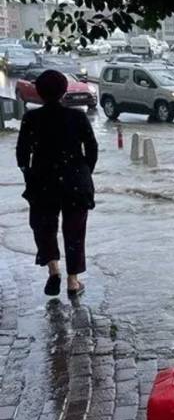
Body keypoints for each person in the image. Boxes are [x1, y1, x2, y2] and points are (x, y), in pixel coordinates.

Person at [15, 70, 97, 298]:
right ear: (64, 90)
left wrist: (28, 174)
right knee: (75, 231)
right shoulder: (77, 117)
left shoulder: (31, 118)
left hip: (43, 182)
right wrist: (84, 172)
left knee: (44, 227)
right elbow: (92, 148)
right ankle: (73, 281)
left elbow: (22, 153)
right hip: (75, 183)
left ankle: (53, 270)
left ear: (39, 93)